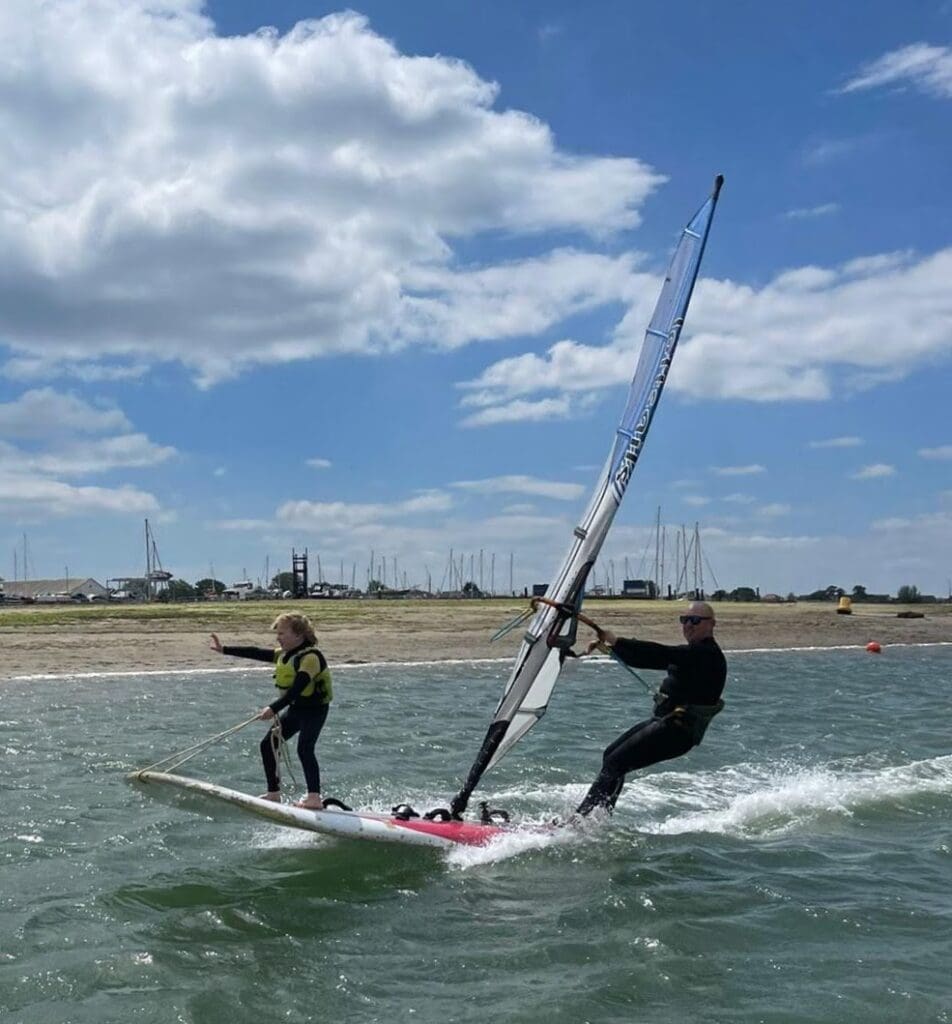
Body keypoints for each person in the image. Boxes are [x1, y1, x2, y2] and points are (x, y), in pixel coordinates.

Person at [576, 600, 726, 816]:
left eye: (695, 620)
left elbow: (660, 653)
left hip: (677, 732)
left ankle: (581, 820)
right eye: (684, 620)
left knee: (616, 762)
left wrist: (617, 641)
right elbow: (649, 659)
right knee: (611, 757)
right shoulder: (692, 654)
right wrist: (614, 649)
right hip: (666, 724)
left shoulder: (706, 654)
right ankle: (596, 818)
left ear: (711, 624)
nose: (688, 625)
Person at [210, 612, 332, 809]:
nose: (278, 637)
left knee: (305, 749)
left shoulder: (311, 657)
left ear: (298, 635)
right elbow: (256, 652)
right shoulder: (284, 655)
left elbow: (296, 690)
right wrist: (224, 649)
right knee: (268, 745)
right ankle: (274, 794)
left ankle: (314, 798)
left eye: (282, 633)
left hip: (314, 711)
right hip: (296, 710)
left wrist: (273, 709)